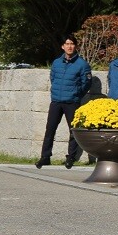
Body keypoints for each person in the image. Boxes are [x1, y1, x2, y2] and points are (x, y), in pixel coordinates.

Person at [36, 35, 91, 170]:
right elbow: (53, 78)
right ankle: (45, 157)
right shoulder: (56, 63)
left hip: (72, 102)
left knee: (73, 131)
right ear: (63, 46)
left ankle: (71, 157)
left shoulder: (82, 64)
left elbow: (87, 83)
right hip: (56, 101)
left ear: (75, 46)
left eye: (72, 44)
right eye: (67, 44)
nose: (69, 46)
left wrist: (77, 94)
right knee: (50, 130)